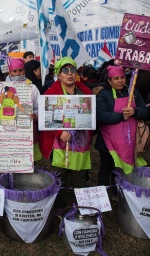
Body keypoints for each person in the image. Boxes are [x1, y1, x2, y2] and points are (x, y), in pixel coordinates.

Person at [39, 57, 93, 214]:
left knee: (79, 175)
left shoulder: (85, 92)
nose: (69, 74)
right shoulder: (51, 93)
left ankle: (82, 207)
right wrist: (59, 132)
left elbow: (91, 115)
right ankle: (60, 207)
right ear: (58, 74)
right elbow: (44, 118)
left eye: (73, 70)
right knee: (60, 175)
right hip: (59, 143)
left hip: (80, 141)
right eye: (65, 70)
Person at [95, 65, 150, 198]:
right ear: (109, 81)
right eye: (116, 78)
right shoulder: (104, 95)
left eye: (122, 78)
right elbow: (100, 115)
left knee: (119, 169)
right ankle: (101, 193)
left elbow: (147, 112)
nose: (120, 81)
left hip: (129, 142)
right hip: (108, 142)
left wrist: (135, 111)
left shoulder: (134, 93)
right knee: (106, 167)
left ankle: (117, 191)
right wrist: (120, 116)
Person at [7, 58, 42, 162]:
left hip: (29, 131)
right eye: (14, 71)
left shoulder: (32, 87)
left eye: (20, 70)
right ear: (10, 73)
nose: (18, 74)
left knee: (29, 161)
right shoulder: (2, 88)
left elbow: (39, 107)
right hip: (9, 132)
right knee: (12, 160)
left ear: (25, 71)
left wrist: (35, 115)